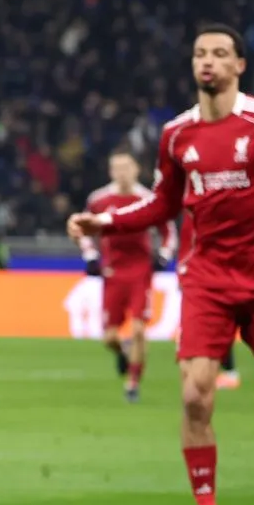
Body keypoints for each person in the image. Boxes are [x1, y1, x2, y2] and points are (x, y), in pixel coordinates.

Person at [68, 24, 254, 505]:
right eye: (199, 54)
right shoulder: (176, 135)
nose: (207, 61)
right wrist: (108, 223)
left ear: (240, 65)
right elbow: (163, 204)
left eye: (219, 53)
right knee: (194, 396)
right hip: (206, 280)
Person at [79, 150, 175, 402]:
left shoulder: (148, 199)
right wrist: (90, 256)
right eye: (117, 168)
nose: (122, 173)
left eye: (126, 167)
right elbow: (84, 230)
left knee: (139, 329)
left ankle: (132, 383)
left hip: (140, 272)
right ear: (111, 171)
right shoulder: (99, 200)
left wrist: (164, 255)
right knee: (109, 337)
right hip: (112, 272)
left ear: (136, 170)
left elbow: (168, 230)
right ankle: (123, 352)